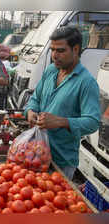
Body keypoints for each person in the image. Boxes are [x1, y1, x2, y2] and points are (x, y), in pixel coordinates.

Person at [24, 26, 101, 180]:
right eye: (52, 50)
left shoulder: (86, 83)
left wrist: (61, 122)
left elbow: (92, 122)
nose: (54, 55)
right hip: (36, 152)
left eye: (60, 50)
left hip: (60, 161)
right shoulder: (51, 71)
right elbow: (35, 99)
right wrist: (31, 111)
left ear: (76, 49)